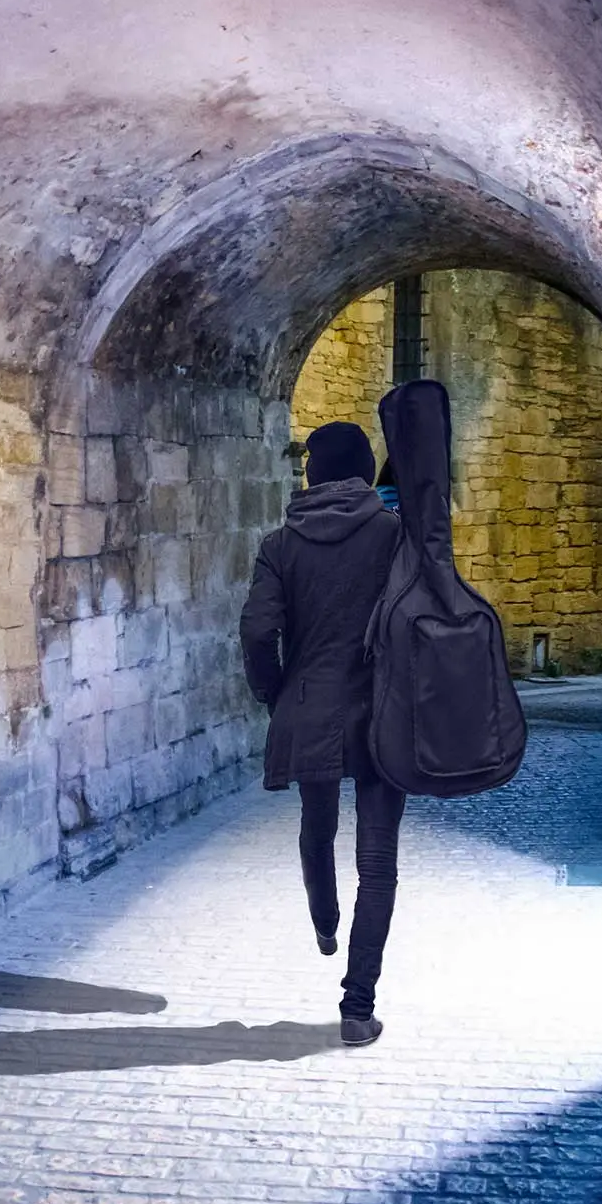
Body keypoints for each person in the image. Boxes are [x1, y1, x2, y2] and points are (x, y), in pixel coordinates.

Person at [239, 421, 407, 1046]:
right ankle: (358, 1008)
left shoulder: (280, 545)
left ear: (312, 476)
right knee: (378, 863)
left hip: (309, 706)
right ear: (363, 472)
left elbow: (258, 630)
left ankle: (325, 920)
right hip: (383, 712)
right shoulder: (394, 535)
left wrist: (274, 693)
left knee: (317, 825)